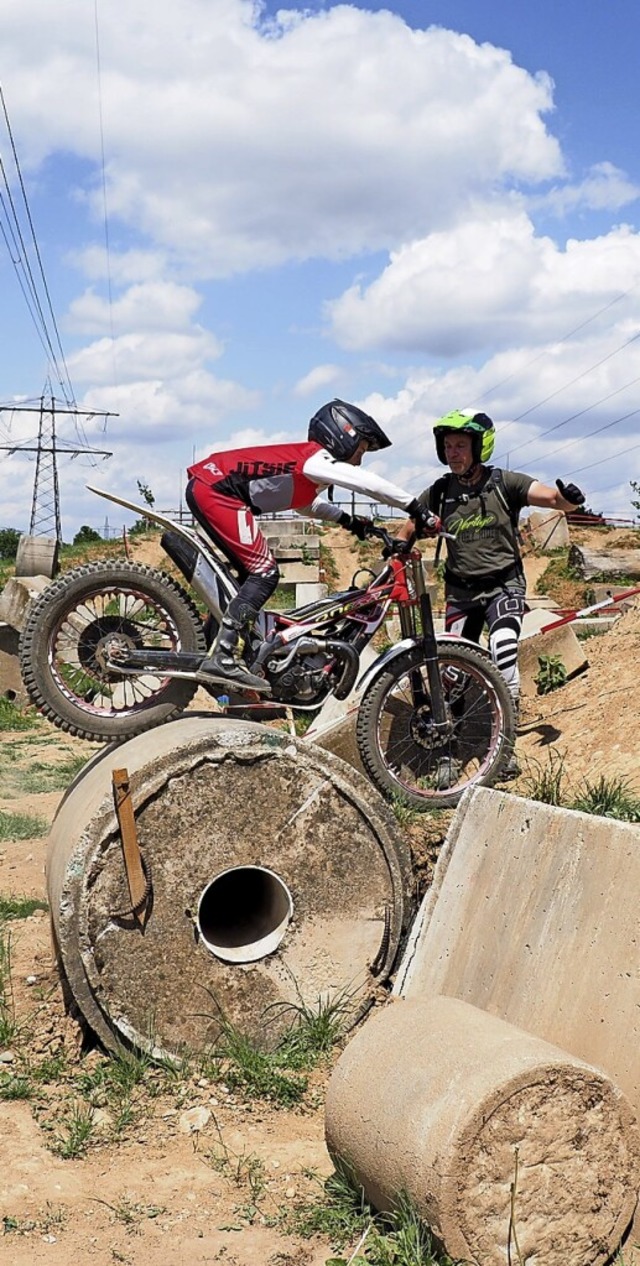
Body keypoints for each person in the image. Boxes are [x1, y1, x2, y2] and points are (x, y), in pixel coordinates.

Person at [185, 399, 430, 691]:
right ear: (342, 435)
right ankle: (223, 656)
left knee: (248, 576)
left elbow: (307, 506)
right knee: (264, 573)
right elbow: (369, 484)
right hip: (217, 491)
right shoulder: (315, 459)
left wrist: (351, 522)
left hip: (212, 488)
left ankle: (231, 646)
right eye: (361, 450)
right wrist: (417, 508)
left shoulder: (306, 469)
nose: (359, 461)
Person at [399, 409, 586, 776]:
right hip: (461, 592)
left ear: (479, 447)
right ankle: (447, 752)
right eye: (448, 446)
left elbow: (549, 498)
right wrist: (399, 544)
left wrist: (568, 500)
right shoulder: (440, 490)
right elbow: (410, 521)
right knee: (450, 672)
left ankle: (505, 749)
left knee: (503, 652)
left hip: (504, 585)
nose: (453, 453)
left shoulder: (505, 483)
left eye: (461, 446)